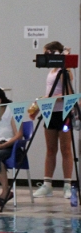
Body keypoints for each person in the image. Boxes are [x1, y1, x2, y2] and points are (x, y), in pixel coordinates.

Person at [33, 41, 75, 198]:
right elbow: (51, 93)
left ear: (55, 53)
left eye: (47, 53)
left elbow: (69, 94)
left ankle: (67, 185)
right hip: (50, 113)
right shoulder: (51, 71)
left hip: (63, 113)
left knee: (66, 149)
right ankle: (47, 184)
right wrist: (43, 102)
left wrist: (50, 99)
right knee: (50, 149)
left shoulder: (65, 71)